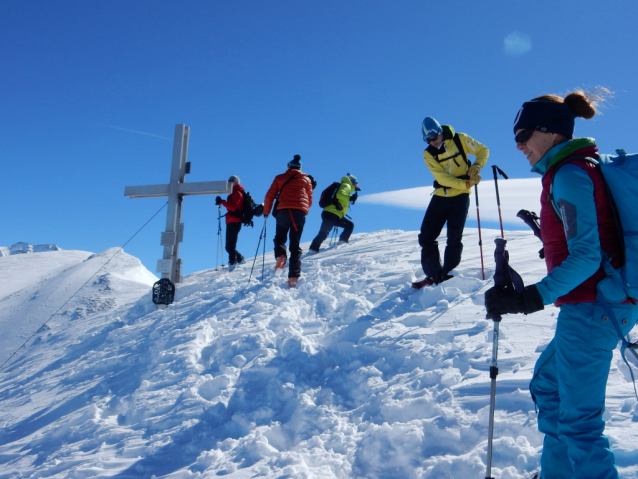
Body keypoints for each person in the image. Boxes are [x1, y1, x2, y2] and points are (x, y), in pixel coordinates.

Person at [485, 88, 637, 479]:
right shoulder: (572, 171)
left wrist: (531, 298)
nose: (518, 146)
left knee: (580, 423)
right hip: (594, 307)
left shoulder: (569, 174)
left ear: (551, 132)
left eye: (523, 136)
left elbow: (585, 257)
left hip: (593, 310)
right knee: (549, 388)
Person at [414, 117, 489, 287]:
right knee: (426, 236)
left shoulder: (460, 139)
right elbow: (442, 178)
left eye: (434, 138)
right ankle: (433, 275)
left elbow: (483, 150)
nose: (432, 142)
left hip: (460, 197)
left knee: (454, 237)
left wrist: (477, 166)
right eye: (428, 140)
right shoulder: (428, 154)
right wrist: (466, 183)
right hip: (440, 195)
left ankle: (448, 273)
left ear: (440, 132)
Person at [263, 155, 313, 288]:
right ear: (300, 168)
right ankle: (293, 277)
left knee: (280, 238)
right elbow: (309, 198)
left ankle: (281, 256)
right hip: (298, 213)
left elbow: (270, 196)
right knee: (295, 244)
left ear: (288, 167)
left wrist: (266, 212)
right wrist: (304, 210)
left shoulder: (280, 178)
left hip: (283, 212)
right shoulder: (306, 180)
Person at [308, 174, 359, 253]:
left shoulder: (345, 186)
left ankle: (313, 249)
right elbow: (339, 195)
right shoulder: (346, 185)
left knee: (347, 226)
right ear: (352, 182)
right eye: (356, 182)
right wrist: (350, 198)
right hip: (332, 213)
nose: (357, 184)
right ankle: (313, 249)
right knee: (324, 232)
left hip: (331, 214)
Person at [215, 175, 245, 272]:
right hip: (231, 221)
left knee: (230, 246)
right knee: (229, 246)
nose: (230, 183)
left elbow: (233, 208)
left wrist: (222, 202)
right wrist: (223, 202)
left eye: (232, 181)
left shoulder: (237, 194)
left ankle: (233, 263)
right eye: (229, 181)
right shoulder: (232, 194)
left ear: (236, 182)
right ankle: (239, 259)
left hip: (234, 221)